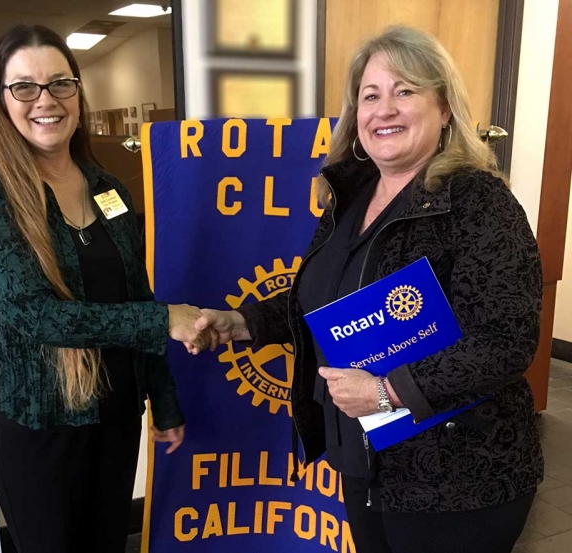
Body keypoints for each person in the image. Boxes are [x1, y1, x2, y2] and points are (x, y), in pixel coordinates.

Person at [193, 26, 543, 553]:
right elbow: (327, 301)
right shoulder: (349, 195)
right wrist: (243, 323)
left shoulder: (479, 201)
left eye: (405, 91)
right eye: (370, 95)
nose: (385, 109)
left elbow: (505, 340)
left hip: (458, 477)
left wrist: (386, 391)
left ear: (445, 107)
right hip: (365, 461)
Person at [0, 25, 208, 553]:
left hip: (116, 418)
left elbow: (139, 293)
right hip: (38, 428)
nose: (45, 101)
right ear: (1, 99)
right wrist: (164, 321)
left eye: (60, 84)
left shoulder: (107, 188)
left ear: (77, 92)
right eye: (24, 86)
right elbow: (39, 317)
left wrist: (163, 402)